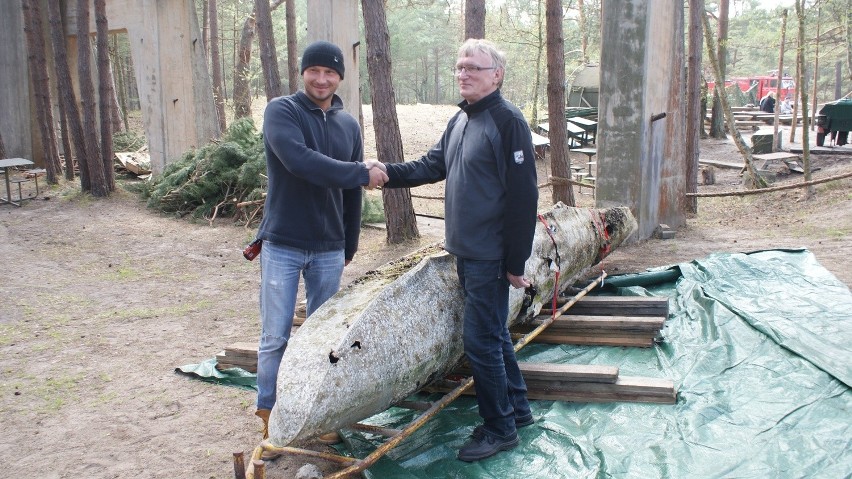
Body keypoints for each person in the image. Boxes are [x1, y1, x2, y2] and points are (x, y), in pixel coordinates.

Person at [372, 38, 539, 462]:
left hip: (490, 254)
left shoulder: (508, 122)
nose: (464, 73)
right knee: (494, 335)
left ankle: (499, 428)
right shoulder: (461, 121)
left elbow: (524, 197)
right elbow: (431, 165)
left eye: (474, 68)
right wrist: (383, 174)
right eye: (460, 66)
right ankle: (516, 412)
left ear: (496, 74)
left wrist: (516, 261)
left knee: (480, 342)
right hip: (464, 250)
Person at [253, 40, 387, 445]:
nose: (322, 78)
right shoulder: (282, 111)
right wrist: (360, 172)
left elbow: (351, 194)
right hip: (283, 243)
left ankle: (319, 415)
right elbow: (300, 162)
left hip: (329, 248)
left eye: (330, 72)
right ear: (303, 73)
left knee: (324, 337)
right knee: (275, 337)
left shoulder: (349, 125)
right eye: (315, 70)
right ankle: (271, 422)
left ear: (340, 77)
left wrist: (348, 243)